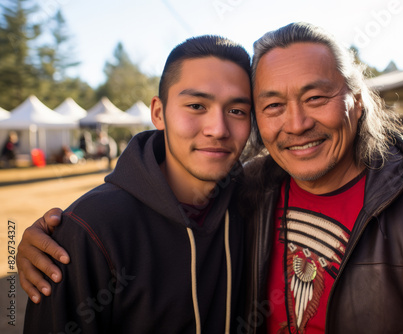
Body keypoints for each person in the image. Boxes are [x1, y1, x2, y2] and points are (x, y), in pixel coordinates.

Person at [18, 23, 403, 333]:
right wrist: (61, 236)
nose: (295, 124)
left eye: (316, 98)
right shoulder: (243, 195)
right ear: (159, 112)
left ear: (356, 98)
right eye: (272, 105)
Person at [21, 34, 253, 333]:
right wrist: (72, 235)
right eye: (196, 105)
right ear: (158, 113)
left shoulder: (255, 204)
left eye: (236, 111)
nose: (218, 129)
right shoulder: (89, 230)